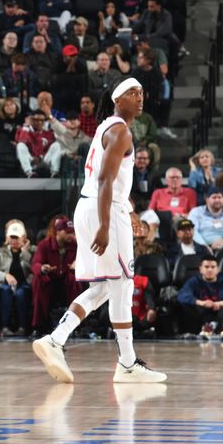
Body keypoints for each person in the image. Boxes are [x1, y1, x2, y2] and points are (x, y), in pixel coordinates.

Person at [33, 77, 167, 383]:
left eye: (142, 92)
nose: (140, 97)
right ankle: (128, 364)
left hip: (94, 205)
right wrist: (107, 225)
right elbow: (106, 181)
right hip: (103, 210)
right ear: (119, 100)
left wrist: (130, 211)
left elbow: (112, 181)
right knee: (122, 284)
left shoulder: (108, 127)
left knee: (107, 286)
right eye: (133, 93)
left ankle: (56, 340)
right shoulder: (120, 130)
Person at [177, 255, 223, 338]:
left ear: (218, 270)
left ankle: (213, 328)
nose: (209, 270)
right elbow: (182, 295)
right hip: (202, 314)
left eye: (213, 267)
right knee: (189, 304)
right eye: (206, 267)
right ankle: (213, 328)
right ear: (200, 269)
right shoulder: (194, 281)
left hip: (220, 313)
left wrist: (222, 303)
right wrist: (202, 303)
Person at [0, 220, 32, 337]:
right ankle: (4, 327)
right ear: (7, 238)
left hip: (24, 284)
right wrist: (5, 275)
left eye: (17, 238)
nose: (14, 241)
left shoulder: (32, 250)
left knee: (21, 293)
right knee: (5, 291)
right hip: (5, 284)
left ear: (23, 238)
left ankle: (22, 327)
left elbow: (32, 269)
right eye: (12, 238)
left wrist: (25, 253)